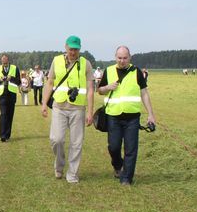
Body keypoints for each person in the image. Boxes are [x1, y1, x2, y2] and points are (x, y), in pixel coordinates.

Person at [97, 45, 156, 186]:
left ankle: (126, 178)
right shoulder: (109, 71)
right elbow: (100, 90)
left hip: (132, 117)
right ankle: (118, 166)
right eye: (119, 58)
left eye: (125, 58)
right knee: (114, 146)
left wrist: (151, 114)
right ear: (115, 57)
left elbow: (144, 93)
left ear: (129, 57)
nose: (122, 61)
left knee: (131, 148)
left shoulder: (136, 72)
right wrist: (107, 87)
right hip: (113, 115)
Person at [41, 35, 94, 184]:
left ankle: (72, 173)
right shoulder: (56, 61)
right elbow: (50, 82)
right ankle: (59, 166)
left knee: (76, 143)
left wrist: (90, 111)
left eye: (76, 49)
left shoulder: (86, 64)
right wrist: (44, 104)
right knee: (56, 139)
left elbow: (90, 89)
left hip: (78, 108)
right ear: (65, 47)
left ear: (80, 49)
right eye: (71, 49)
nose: (73, 52)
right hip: (59, 106)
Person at [0, 54, 19, 142]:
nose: (4, 61)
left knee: (10, 115)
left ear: (8, 60)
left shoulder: (15, 68)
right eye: (2, 59)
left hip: (11, 94)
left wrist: (11, 78)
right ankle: (2, 135)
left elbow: (19, 81)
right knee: (3, 114)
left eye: (5, 59)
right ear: (1, 60)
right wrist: (0, 80)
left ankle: (7, 134)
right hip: (2, 95)